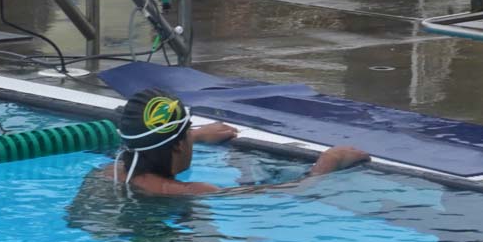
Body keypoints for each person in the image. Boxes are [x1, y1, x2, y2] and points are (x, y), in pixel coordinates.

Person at [109, 87, 368, 195]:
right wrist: (327, 163)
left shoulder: (109, 173)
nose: (192, 132)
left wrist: (196, 135)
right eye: (189, 129)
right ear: (177, 145)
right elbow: (286, 192)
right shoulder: (191, 192)